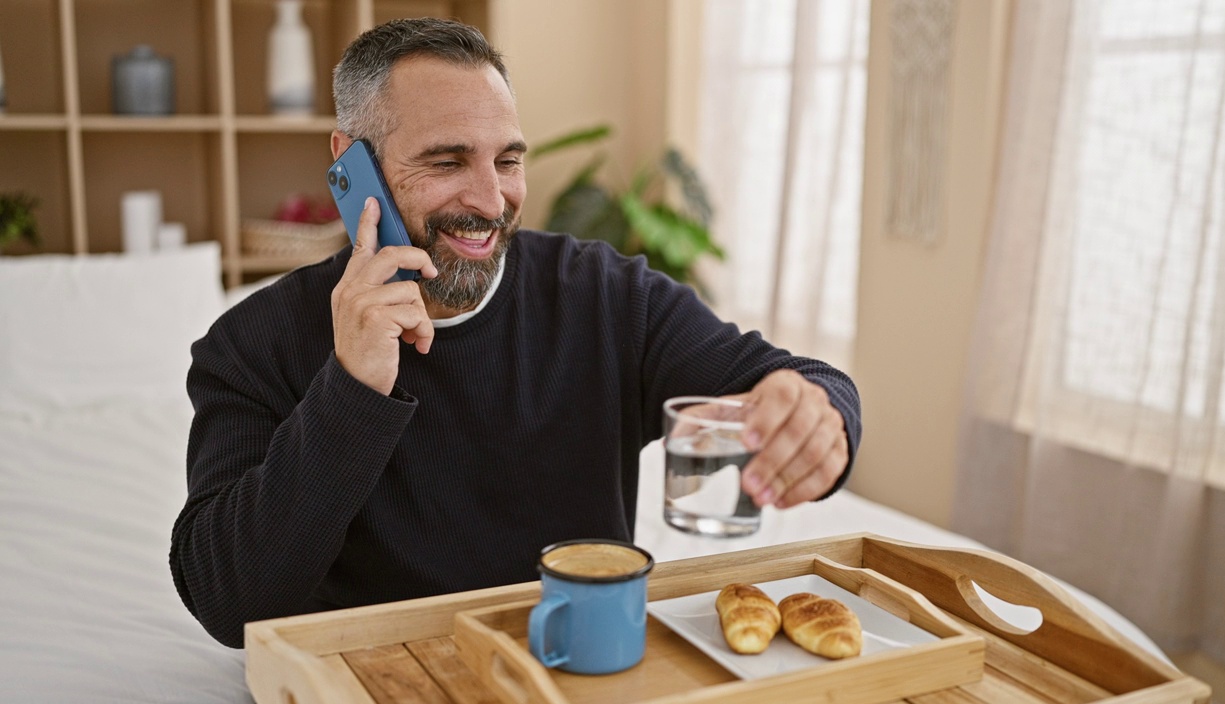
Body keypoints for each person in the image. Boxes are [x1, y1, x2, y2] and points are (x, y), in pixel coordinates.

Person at [170, 17, 861, 652]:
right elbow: (229, 602)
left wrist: (819, 413)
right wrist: (350, 389)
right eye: (446, 162)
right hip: (373, 689)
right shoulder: (252, 344)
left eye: (507, 161)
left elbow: (796, 379)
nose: (489, 200)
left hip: (574, 677)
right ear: (352, 165)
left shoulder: (610, 298)